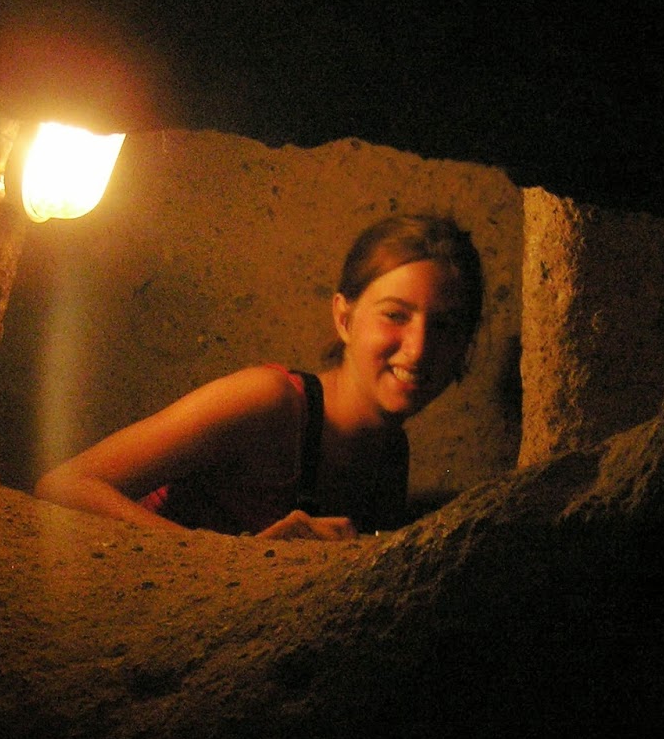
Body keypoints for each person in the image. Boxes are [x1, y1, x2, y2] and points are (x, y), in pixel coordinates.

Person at [34, 213, 485, 540]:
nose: (419, 347)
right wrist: (237, 560)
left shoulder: (388, 453)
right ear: (344, 319)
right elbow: (64, 486)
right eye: (395, 315)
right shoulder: (269, 401)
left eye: (445, 325)